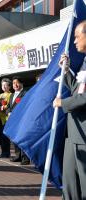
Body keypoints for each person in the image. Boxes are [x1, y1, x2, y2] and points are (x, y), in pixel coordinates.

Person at [53, 20, 86, 200]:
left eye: (76, 37)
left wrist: (62, 103)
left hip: (84, 136)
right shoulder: (84, 63)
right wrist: (65, 71)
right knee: (70, 184)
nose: (74, 41)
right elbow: (77, 90)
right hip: (73, 134)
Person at [7, 77, 30, 165]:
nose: (15, 85)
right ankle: (18, 156)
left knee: (22, 138)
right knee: (15, 138)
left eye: (17, 83)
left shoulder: (25, 93)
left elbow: (25, 106)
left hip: (22, 119)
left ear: (21, 83)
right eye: (13, 83)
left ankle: (25, 158)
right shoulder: (12, 95)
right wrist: (8, 111)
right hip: (13, 120)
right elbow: (9, 106)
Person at [0, 78, 12, 158]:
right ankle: (3, 152)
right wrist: (1, 107)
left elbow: (9, 105)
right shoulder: (0, 95)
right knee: (0, 136)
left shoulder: (11, 95)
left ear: (9, 86)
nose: (4, 86)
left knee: (5, 137)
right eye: (2, 85)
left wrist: (3, 107)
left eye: (5, 85)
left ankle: (7, 152)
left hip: (6, 118)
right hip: (0, 119)